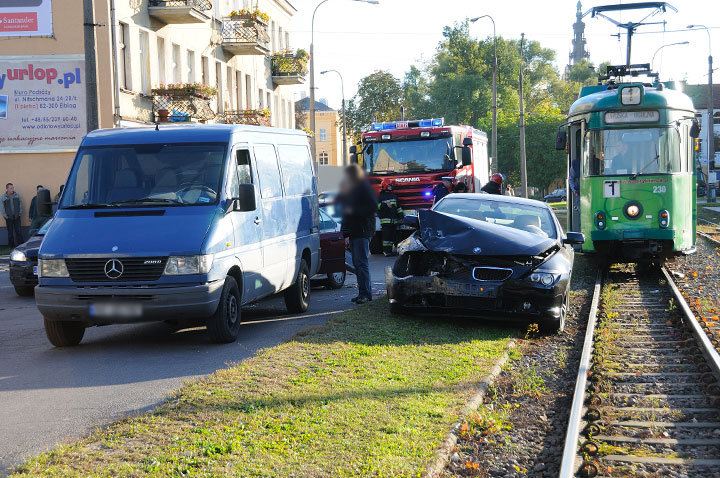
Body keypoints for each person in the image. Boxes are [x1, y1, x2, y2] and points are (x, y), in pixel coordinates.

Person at [339, 164, 377, 304]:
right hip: (355, 231)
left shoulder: (363, 187)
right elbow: (346, 213)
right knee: (358, 263)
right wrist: (345, 234)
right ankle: (363, 292)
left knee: (361, 263)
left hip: (362, 230)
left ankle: (366, 294)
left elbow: (372, 206)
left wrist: (354, 210)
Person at [377, 183, 403, 256]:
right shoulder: (380, 196)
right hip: (385, 222)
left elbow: (398, 208)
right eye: (388, 186)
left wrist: (401, 217)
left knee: (393, 237)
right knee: (386, 237)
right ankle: (386, 252)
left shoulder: (394, 196)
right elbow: (376, 206)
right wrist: (385, 205)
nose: (390, 187)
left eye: (390, 186)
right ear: (384, 187)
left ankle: (391, 251)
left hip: (394, 221)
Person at [1, 183, 23, 248]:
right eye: (11, 188)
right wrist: (5, 216)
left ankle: (21, 245)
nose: (12, 189)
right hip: (8, 217)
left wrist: (19, 213)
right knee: (10, 233)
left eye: (13, 188)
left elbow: (20, 205)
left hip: (17, 217)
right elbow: (2, 208)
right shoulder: (3, 197)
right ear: (7, 189)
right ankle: (11, 246)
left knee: (19, 231)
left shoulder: (17, 195)